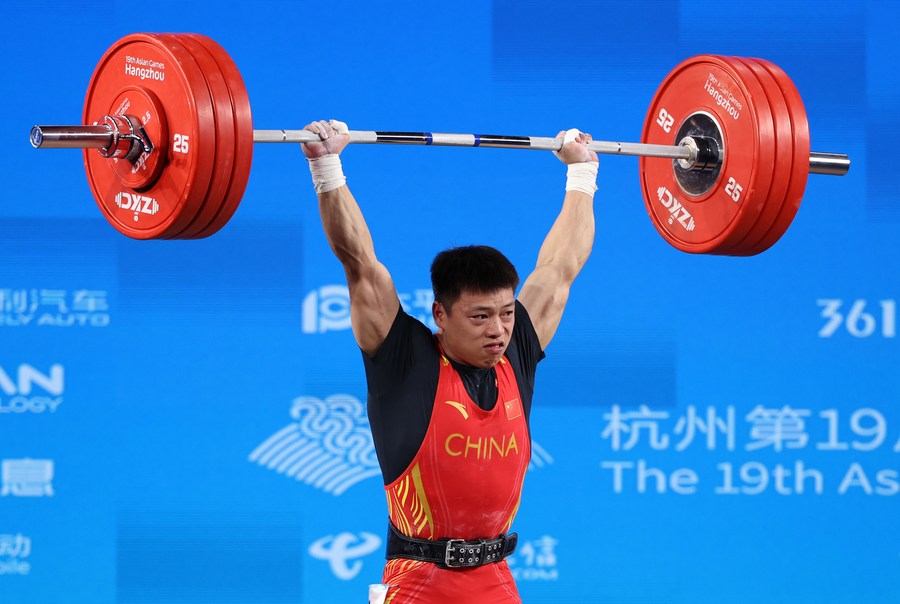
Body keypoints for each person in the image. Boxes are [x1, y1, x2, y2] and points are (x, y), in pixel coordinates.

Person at [301, 119, 598, 603]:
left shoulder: (516, 350)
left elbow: (561, 266)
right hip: (418, 583)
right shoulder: (405, 359)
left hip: (496, 581)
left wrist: (582, 173)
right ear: (440, 314)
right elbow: (359, 262)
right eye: (480, 316)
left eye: (506, 313)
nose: (498, 329)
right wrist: (326, 165)